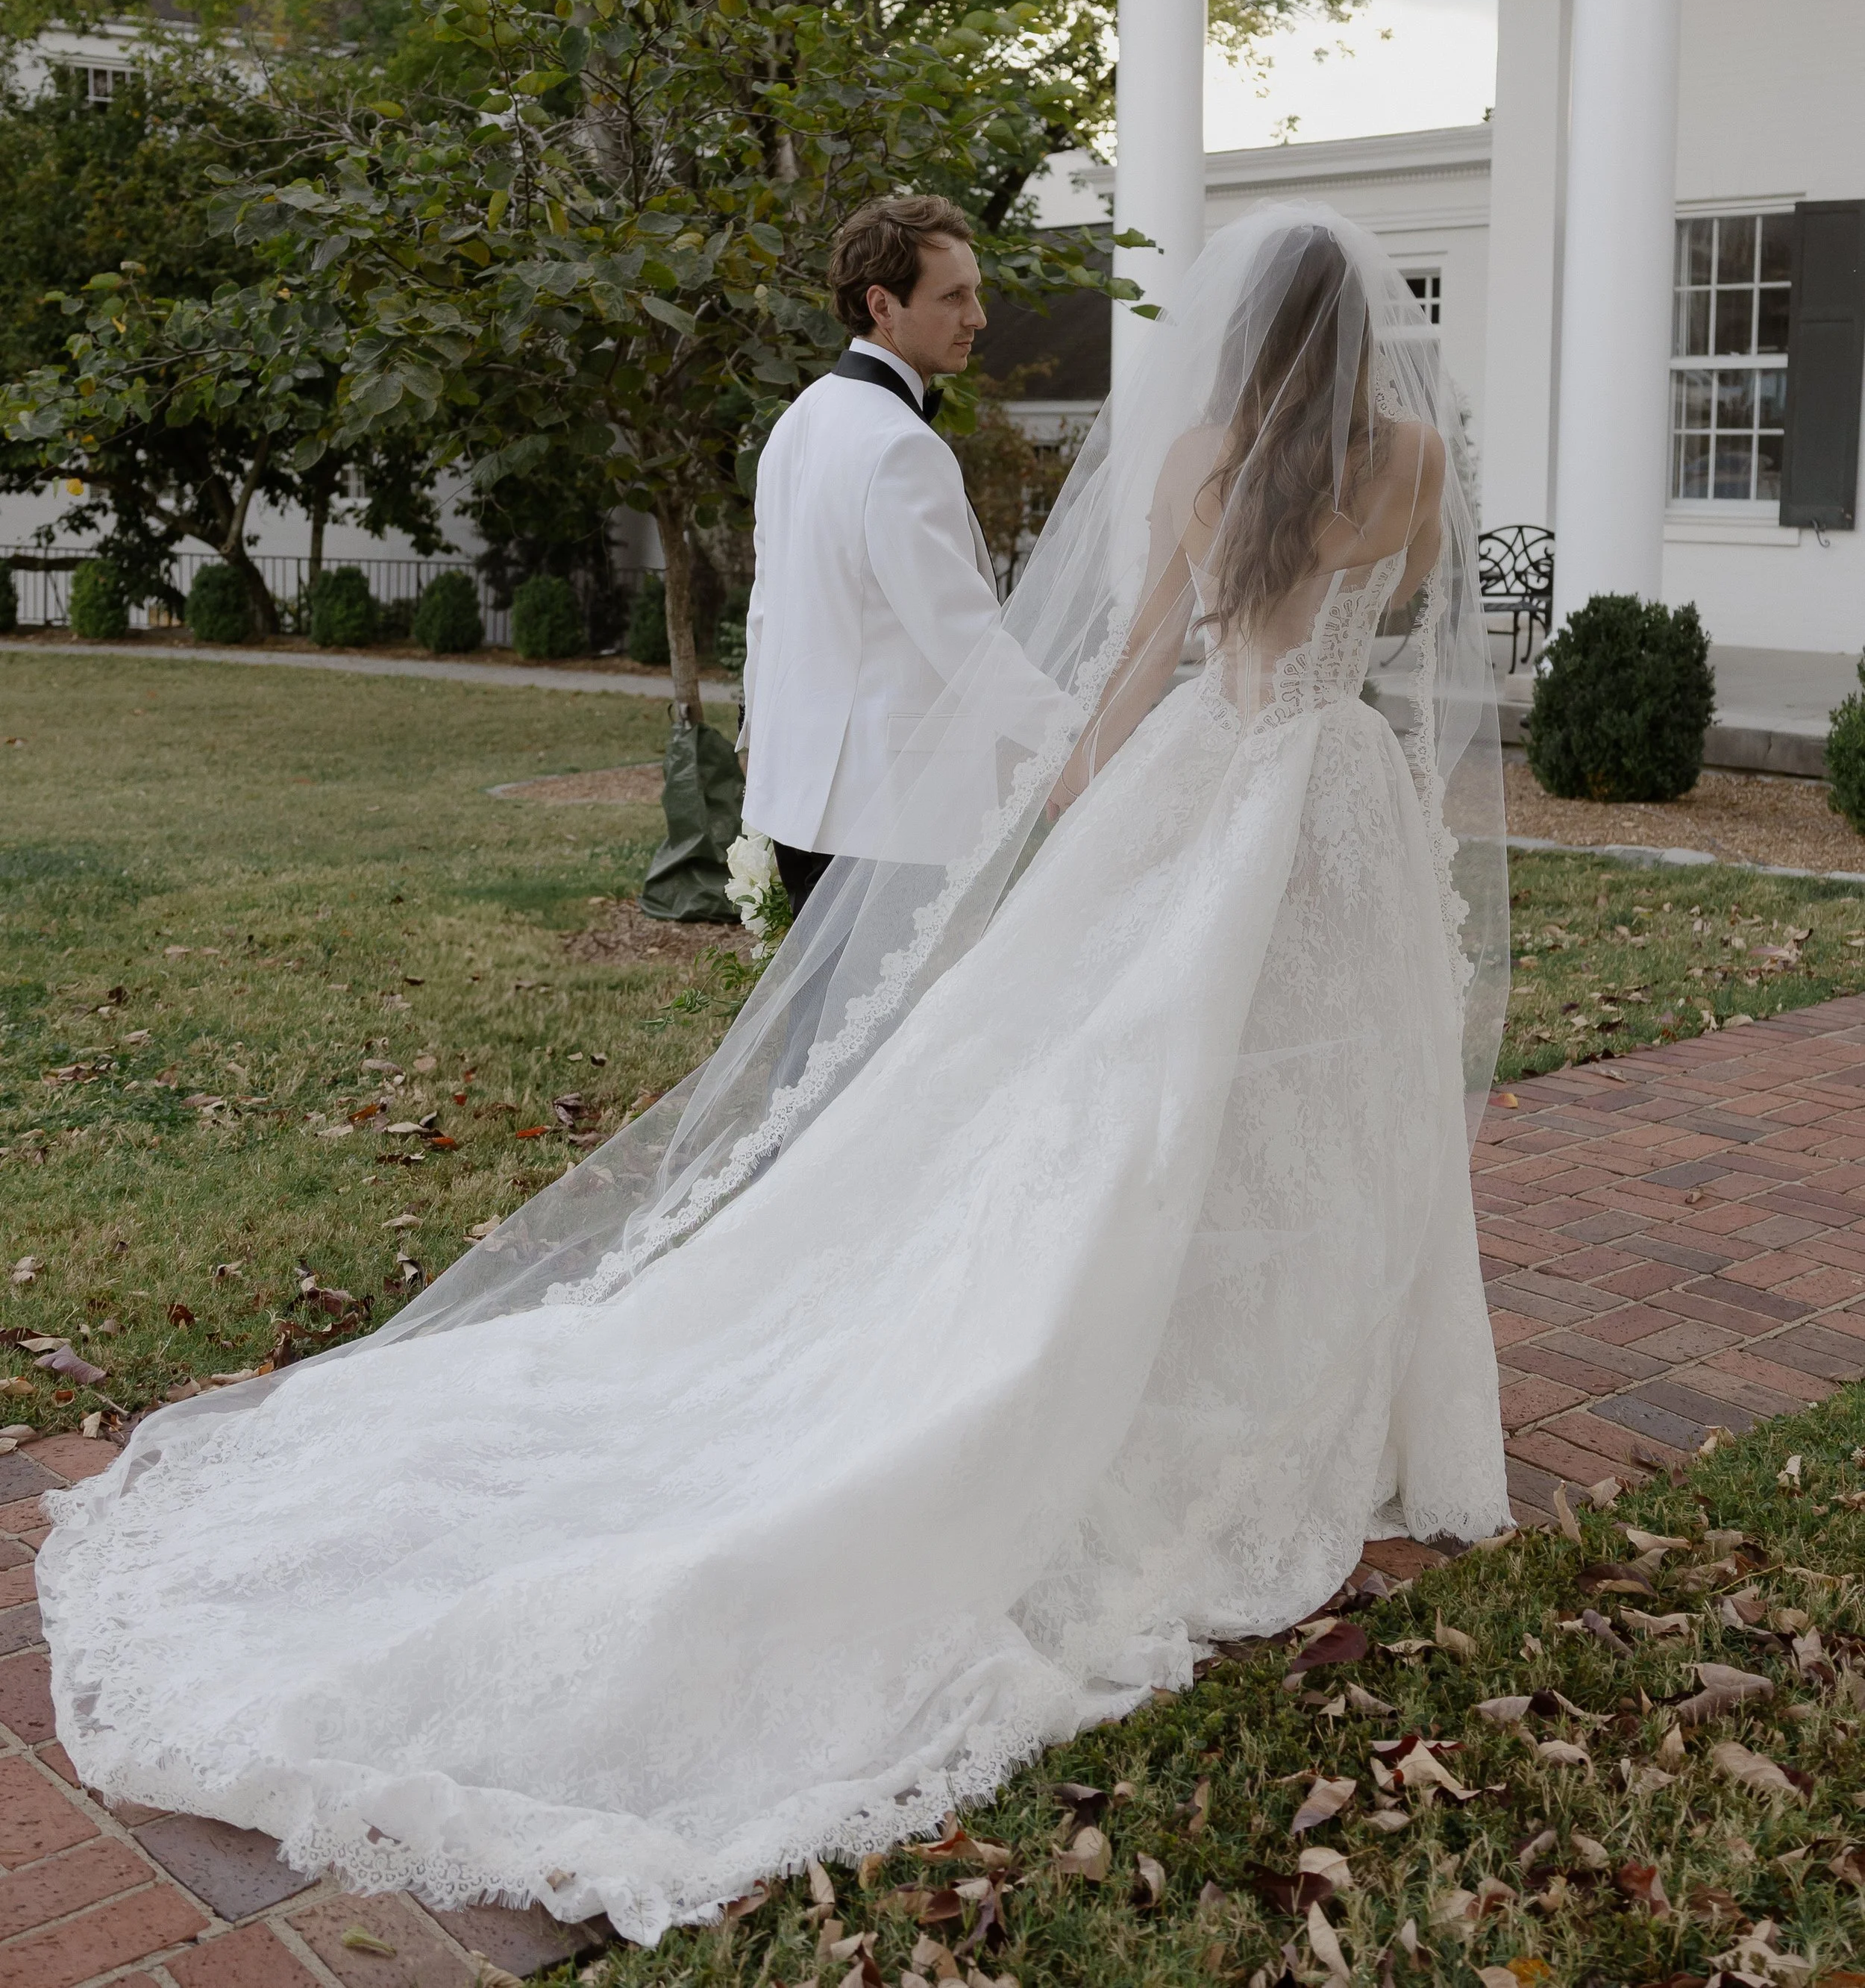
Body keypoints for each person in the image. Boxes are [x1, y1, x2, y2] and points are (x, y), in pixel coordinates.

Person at [40, 206, 1511, 1951]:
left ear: (1247, 335)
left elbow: (1146, 651)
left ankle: (1172, 1355)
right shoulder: (1416, 459)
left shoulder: (1202, 452)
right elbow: (1416, 657)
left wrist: (1087, 787)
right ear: (1366, 331)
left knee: (1138, 1104)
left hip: (1212, 773)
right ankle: (1301, 1388)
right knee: (1322, 1101)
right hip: (1334, 792)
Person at [739, 193, 1021, 922]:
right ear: (881, 305)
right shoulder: (899, 445)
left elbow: (765, 608)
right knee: (886, 1033)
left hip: (801, 794)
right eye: (953, 296)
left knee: (833, 1032)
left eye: (976, 294)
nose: (977, 318)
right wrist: (1070, 749)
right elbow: (963, 637)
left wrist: (757, 741)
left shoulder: (798, 420)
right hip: (892, 806)